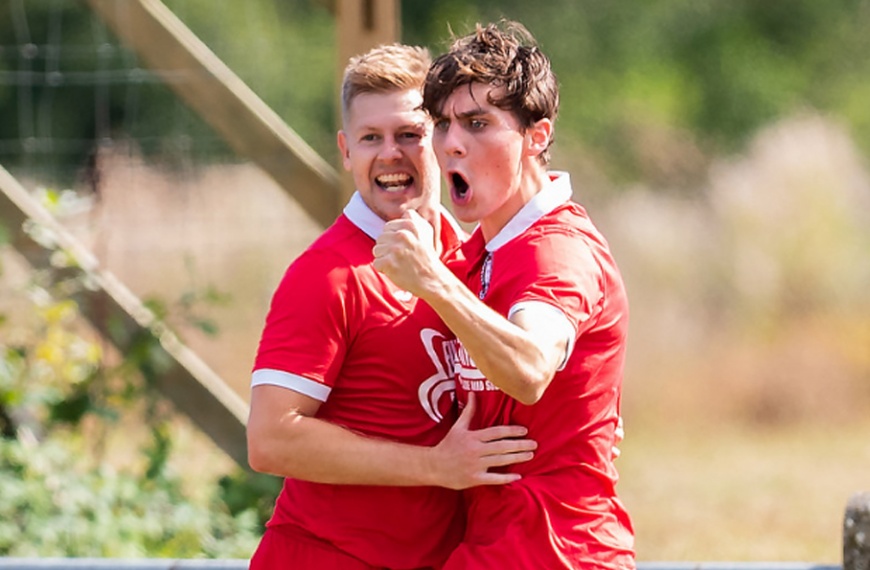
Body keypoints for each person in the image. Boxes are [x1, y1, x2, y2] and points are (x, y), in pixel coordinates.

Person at [246, 44, 537, 570]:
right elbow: (269, 440)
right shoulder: (326, 275)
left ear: (446, 141)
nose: (390, 155)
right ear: (345, 150)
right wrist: (434, 466)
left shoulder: (473, 260)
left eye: (409, 134)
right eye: (370, 138)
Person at [373, 21, 635, 569]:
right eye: (442, 124)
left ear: (536, 137)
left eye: (477, 123)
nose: (451, 143)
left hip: (559, 555)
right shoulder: (477, 256)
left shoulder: (557, 250)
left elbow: (530, 367)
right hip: (490, 552)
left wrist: (433, 281)